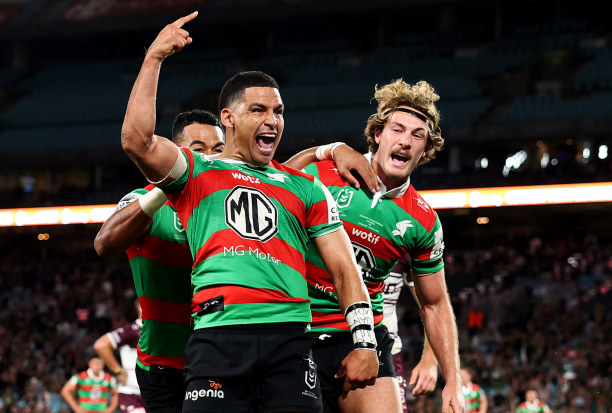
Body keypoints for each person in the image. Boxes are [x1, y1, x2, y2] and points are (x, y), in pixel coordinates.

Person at [119, 11, 378, 413]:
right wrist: (154, 58)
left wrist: (365, 341)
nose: (272, 120)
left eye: (278, 111)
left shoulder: (305, 187)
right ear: (228, 118)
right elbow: (137, 141)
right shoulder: (195, 171)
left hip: (290, 342)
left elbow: (345, 269)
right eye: (258, 110)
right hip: (217, 338)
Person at [286, 78, 465, 413]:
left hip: (362, 335)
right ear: (378, 134)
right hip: (297, 328)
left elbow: (435, 303)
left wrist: (452, 380)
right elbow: (272, 184)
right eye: (397, 129)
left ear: (425, 151)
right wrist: (329, 148)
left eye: (417, 136)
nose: (406, 142)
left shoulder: (423, 221)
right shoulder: (325, 173)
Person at [94, 108, 225, 413]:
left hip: (219, 359)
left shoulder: (231, 201)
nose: (210, 158)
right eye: (198, 150)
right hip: (161, 365)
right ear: (176, 153)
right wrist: (167, 188)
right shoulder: (146, 198)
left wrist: (327, 150)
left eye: (218, 149)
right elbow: (104, 244)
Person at [384, 254, 439, 412]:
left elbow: (433, 306)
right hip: (328, 343)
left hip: (386, 353)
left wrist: (430, 359)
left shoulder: (405, 243)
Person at [93, 300, 145, 413]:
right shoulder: (133, 330)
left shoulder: (159, 331)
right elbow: (101, 345)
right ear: (139, 308)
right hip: (131, 392)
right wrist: (118, 371)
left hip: (155, 393)